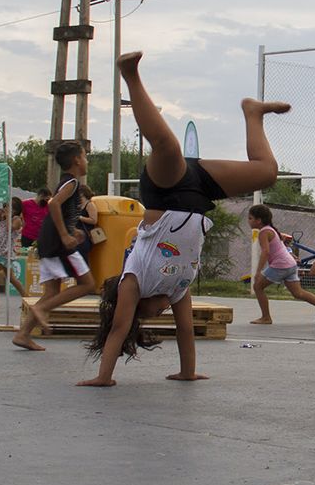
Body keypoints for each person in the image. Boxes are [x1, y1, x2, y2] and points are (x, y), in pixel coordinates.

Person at [81, 50, 292, 386]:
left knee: (167, 145)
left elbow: (119, 329)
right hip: (198, 192)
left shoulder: (133, 282)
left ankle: (130, 75)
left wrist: (104, 377)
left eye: (152, 315)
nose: (161, 312)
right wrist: (188, 372)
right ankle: (253, 113)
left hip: (165, 190)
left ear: (138, 311)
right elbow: (185, 331)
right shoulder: (177, 288)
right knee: (266, 173)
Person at [13, 145, 97, 350]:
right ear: (77, 160)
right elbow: (53, 204)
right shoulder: (73, 182)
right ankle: (41, 309)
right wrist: (65, 235)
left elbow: (63, 210)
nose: (87, 161)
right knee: (87, 285)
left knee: (51, 292)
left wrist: (72, 229)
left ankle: (23, 334)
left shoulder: (65, 182)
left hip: (47, 240)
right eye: (85, 157)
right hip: (59, 244)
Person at [248, 204, 315, 323]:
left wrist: (258, 272)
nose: (248, 221)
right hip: (290, 265)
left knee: (257, 286)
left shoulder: (264, 232)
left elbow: (265, 252)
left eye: (250, 218)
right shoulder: (271, 230)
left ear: (258, 220)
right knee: (298, 293)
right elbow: (281, 246)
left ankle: (266, 317)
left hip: (280, 265)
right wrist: (292, 256)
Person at [0, 197, 27, 305]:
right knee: (11, 278)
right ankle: (27, 297)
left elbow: (10, 229)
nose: (5, 209)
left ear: (15, 209)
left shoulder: (16, 219)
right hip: (0, 251)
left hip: (5, 252)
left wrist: (7, 216)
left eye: (8, 207)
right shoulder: (4, 219)